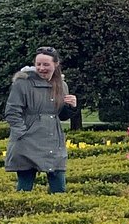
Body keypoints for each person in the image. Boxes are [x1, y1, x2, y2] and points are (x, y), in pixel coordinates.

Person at [5, 46, 76, 194]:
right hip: (27, 141)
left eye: (46, 64)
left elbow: (61, 116)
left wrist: (70, 107)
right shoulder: (22, 83)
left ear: (55, 64)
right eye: (38, 64)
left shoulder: (62, 86)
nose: (41, 68)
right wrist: (22, 133)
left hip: (53, 141)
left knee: (59, 188)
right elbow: (12, 112)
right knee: (25, 187)